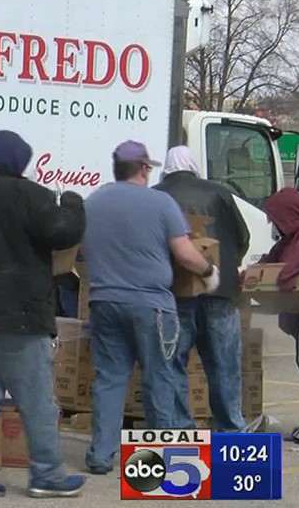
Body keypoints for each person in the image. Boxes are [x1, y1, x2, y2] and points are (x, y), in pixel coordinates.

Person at [0, 130, 87, 499]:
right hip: (20, 316)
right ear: (19, 162)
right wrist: (73, 202)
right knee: (37, 398)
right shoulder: (30, 196)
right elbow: (63, 231)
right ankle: (48, 474)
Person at [81, 140, 219, 475]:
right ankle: (158, 460)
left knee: (111, 378)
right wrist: (208, 271)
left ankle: (101, 455)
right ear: (144, 168)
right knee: (158, 377)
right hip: (151, 305)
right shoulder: (161, 203)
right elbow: (185, 253)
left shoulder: (93, 202)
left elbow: (82, 251)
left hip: (104, 301)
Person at [154, 146, 251, 432]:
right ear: (194, 165)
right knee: (224, 366)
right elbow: (242, 237)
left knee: (174, 365)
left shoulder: (157, 194)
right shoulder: (220, 193)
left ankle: (182, 430)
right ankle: (231, 429)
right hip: (220, 291)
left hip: (174, 293)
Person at [259, 187, 299, 445]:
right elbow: (270, 262)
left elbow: (289, 269)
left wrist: (276, 281)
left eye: (275, 218)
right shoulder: (290, 238)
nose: (274, 225)